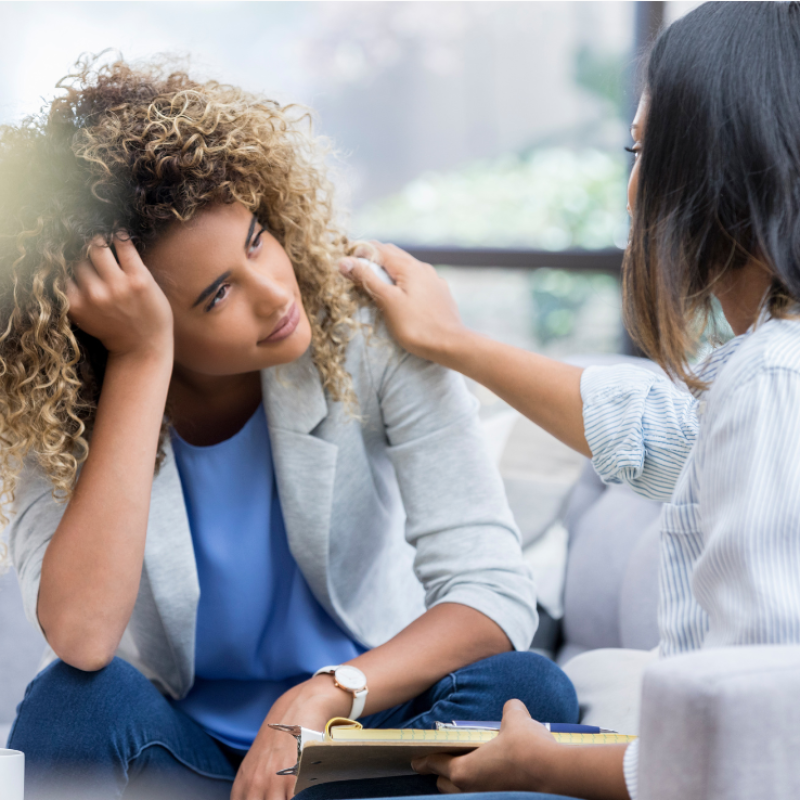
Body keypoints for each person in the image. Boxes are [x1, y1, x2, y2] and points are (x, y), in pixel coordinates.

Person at [0, 58, 579, 800]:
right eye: (216, 295)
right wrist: (142, 361)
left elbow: (492, 588)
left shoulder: (370, 334)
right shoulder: (54, 404)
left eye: (257, 237)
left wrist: (326, 693)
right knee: (67, 706)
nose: (276, 291)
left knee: (526, 692)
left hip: (369, 740)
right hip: (192, 761)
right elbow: (81, 639)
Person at [337, 3, 800, 799]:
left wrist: (542, 764)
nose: (631, 195)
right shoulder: (762, 379)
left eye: (645, 152)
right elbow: (666, 437)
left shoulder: (771, 379)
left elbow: (758, 735)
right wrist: (454, 343)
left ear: (721, 165)